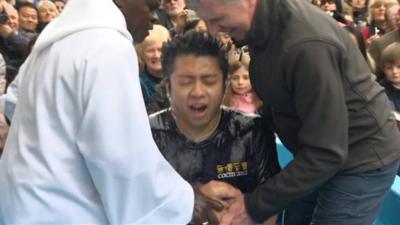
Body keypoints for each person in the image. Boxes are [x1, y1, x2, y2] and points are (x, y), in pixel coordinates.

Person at [0, 0, 219, 223]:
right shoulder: (108, 46)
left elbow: (12, 102)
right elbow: (121, 159)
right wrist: (186, 202)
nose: (154, 19)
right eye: (151, 8)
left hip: (21, 205)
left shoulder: (56, 40)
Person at [188, 0, 400, 224]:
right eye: (206, 20)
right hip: (317, 149)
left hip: (361, 156)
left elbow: (327, 152)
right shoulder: (262, 25)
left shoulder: (306, 44)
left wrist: (252, 206)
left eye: (217, 19)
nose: (213, 30)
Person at [150, 31, 280, 224]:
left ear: (225, 84)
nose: (198, 92)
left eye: (209, 81)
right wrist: (190, 202)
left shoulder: (252, 131)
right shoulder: (148, 135)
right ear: (168, 87)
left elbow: (271, 208)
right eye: (185, 82)